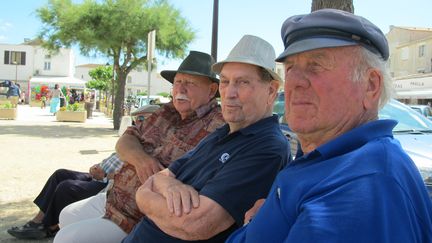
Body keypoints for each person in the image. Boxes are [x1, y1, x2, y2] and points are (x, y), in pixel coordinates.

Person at [227, 9, 432, 243]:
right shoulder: (333, 157)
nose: (294, 82)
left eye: (316, 65)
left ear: (370, 86)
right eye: (291, 68)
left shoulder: (361, 184)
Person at [120, 35, 290, 243]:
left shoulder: (267, 147)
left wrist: (148, 196)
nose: (229, 93)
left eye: (242, 82)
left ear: (271, 91)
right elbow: (157, 178)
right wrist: (171, 187)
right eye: (225, 82)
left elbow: (195, 224)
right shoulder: (221, 134)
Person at [53, 51, 225, 243]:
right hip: (114, 198)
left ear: (211, 90)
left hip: (138, 218)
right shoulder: (166, 111)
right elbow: (125, 140)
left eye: (190, 83)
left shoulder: (218, 125)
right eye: (178, 82)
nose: (180, 89)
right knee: (66, 215)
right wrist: (141, 159)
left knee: (65, 238)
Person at [7, 153, 123, 239]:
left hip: (109, 184)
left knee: (67, 187)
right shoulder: (133, 135)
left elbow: (131, 177)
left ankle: (49, 226)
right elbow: (112, 159)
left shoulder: (139, 148)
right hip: (98, 176)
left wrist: (105, 175)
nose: (138, 120)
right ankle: (38, 221)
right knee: (60, 174)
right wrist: (97, 166)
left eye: (141, 118)